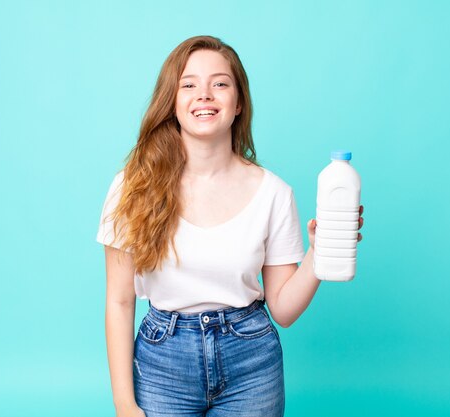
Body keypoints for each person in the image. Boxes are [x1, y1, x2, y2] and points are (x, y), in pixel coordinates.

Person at [96, 35, 364, 417]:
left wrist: (321, 253)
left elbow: (284, 310)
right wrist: (124, 403)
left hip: (250, 359)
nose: (204, 95)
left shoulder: (274, 193)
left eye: (220, 83)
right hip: (162, 362)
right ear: (171, 102)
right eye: (188, 85)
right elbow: (119, 301)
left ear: (238, 103)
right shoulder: (132, 186)